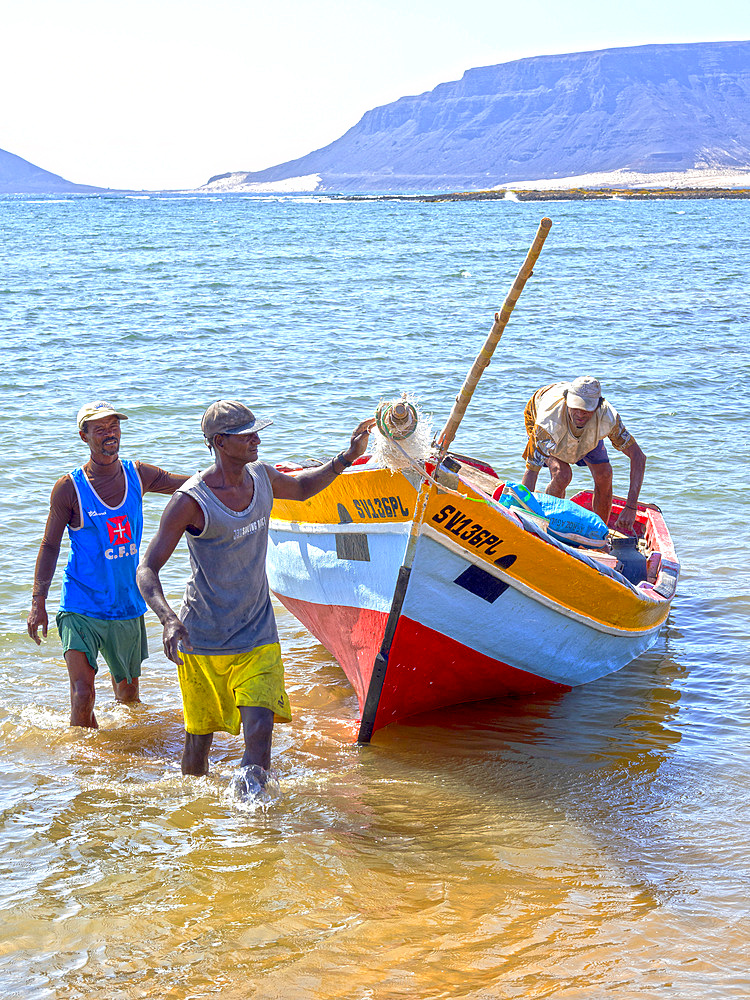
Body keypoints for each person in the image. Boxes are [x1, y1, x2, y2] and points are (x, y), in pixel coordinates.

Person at [136, 399, 375, 790]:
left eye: (256, 432)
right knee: (199, 745)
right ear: (219, 442)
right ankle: (193, 817)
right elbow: (147, 569)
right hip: (202, 638)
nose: (257, 440)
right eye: (246, 435)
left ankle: (257, 830)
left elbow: (300, 488)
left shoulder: (262, 476)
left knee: (261, 731)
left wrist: (346, 457)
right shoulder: (190, 501)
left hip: (257, 634)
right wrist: (168, 620)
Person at [27, 401, 188, 728]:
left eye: (114, 426)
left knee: (128, 696)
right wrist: (37, 603)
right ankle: (83, 767)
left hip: (127, 605)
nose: (109, 433)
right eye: (99, 428)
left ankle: (122, 761)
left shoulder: (138, 474)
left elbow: (186, 485)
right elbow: (49, 546)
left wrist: (236, 474)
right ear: (83, 435)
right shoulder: (69, 489)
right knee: (82, 695)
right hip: (81, 604)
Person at [520, 376, 646, 534]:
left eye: (586, 409)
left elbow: (638, 457)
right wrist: (523, 520)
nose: (580, 414)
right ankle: (550, 528)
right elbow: (531, 472)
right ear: (567, 401)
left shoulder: (607, 418)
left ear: (598, 406)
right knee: (562, 474)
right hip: (538, 410)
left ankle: (599, 533)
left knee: (605, 474)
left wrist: (631, 507)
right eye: (575, 407)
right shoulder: (547, 423)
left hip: (586, 431)